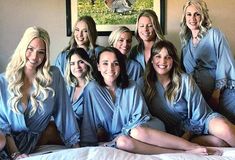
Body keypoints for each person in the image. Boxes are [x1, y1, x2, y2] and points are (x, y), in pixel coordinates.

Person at [80, 47, 221, 155]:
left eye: (115, 63)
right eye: (105, 63)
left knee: (136, 132)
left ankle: (191, 147)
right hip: (123, 136)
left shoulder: (131, 86)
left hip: (146, 127)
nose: (110, 68)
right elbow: (88, 120)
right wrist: (88, 145)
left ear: (120, 67)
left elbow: (139, 117)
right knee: (123, 143)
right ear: (98, 66)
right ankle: (177, 153)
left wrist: (118, 136)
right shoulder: (92, 89)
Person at [0, 26, 80, 159]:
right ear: (22, 47)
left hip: (29, 144)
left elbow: (65, 114)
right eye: (30, 49)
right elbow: (2, 123)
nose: (34, 57)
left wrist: (78, 150)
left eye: (41, 52)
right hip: (6, 140)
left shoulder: (53, 76)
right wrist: (15, 153)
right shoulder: (3, 81)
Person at [139, 39, 235, 147]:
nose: (163, 61)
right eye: (158, 56)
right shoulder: (142, 84)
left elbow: (199, 113)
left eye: (168, 57)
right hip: (173, 133)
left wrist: (188, 134)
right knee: (219, 143)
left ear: (173, 61)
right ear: (151, 60)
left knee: (224, 127)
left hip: (200, 121)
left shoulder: (185, 80)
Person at [179, 0, 235, 124]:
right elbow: (183, 74)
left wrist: (216, 93)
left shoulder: (214, 34)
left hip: (222, 95)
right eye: (189, 14)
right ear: (184, 17)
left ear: (203, 16)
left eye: (197, 14)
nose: (192, 18)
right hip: (200, 100)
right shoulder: (185, 46)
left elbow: (224, 62)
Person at [64, 47, 94, 126]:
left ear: (87, 63)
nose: (77, 66)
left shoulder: (94, 88)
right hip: (63, 130)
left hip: (85, 132)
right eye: (72, 63)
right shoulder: (67, 87)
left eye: (81, 62)